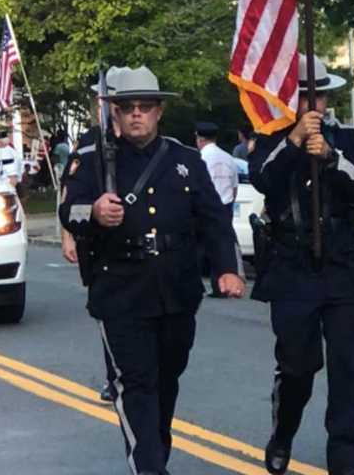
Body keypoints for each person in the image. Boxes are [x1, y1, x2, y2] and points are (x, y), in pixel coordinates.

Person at [59, 66, 245, 475]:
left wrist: (227, 270)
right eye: (127, 108)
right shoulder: (92, 158)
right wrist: (93, 211)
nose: (136, 115)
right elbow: (67, 209)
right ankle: (149, 467)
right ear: (115, 113)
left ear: (160, 111)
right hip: (120, 289)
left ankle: (153, 451)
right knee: (136, 384)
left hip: (175, 289)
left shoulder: (184, 160)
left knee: (165, 381)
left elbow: (213, 220)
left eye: (145, 107)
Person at [249, 55, 354, 475]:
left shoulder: (345, 137)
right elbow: (263, 180)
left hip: (345, 263)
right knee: (298, 366)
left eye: (319, 95)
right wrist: (293, 143)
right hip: (292, 265)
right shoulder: (270, 136)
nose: (313, 104)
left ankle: (344, 460)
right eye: (305, 95)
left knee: (349, 369)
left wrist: (332, 158)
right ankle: (283, 431)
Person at [60, 66, 130, 403]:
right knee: (108, 311)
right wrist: (67, 236)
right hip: (101, 246)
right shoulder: (88, 144)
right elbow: (68, 195)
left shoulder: (146, 141)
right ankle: (114, 374)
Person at [195, 122, 238, 217]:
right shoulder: (229, 158)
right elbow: (234, 188)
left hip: (205, 210)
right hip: (226, 208)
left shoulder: (198, 158)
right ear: (215, 138)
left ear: (200, 139)